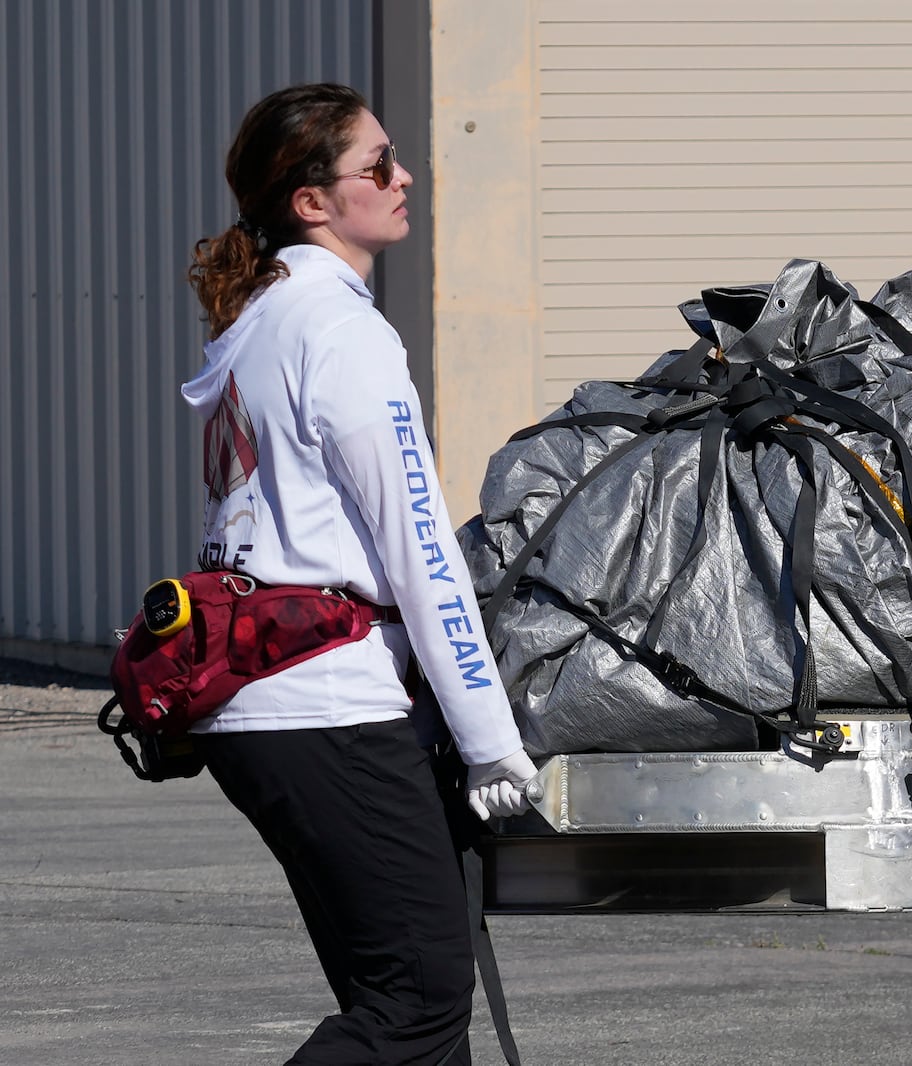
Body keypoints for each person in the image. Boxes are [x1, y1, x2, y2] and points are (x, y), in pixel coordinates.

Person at [183, 83, 537, 1065]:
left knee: (408, 1009)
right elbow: (419, 549)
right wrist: (488, 738)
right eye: (377, 165)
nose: (403, 176)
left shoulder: (259, 322)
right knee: (417, 1003)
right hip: (325, 706)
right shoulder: (342, 332)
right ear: (312, 200)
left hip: (262, 705)